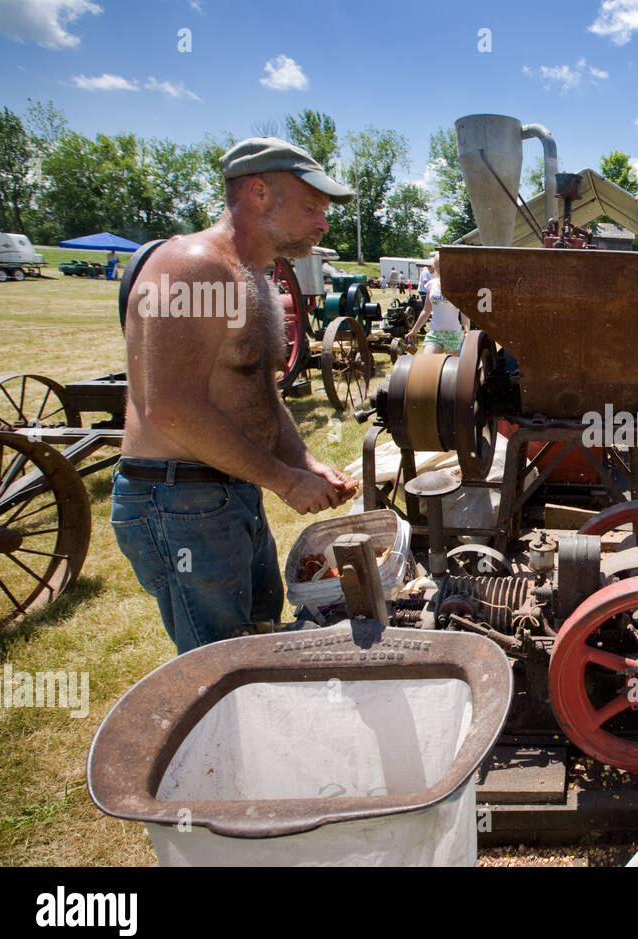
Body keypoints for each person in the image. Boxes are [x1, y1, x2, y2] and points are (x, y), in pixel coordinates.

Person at [114, 137, 359, 654]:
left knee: (258, 646)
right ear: (258, 192)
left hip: (224, 490)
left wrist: (303, 461)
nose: (324, 222)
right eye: (311, 207)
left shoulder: (251, 277)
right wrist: (282, 480)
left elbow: (256, 392)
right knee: (219, 665)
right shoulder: (196, 267)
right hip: (178, 499)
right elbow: (171, 408)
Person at [404, 250, 467, 354]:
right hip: (435, 333)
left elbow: (464, 311)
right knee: (427, 363)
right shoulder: (431, 284)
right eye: (437, 265)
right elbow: (426, 310)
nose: (440, 268)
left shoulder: (458, 286)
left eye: (443, 264)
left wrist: (466, 331)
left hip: (453, 334)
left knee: (453, 368)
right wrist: (414, 330)